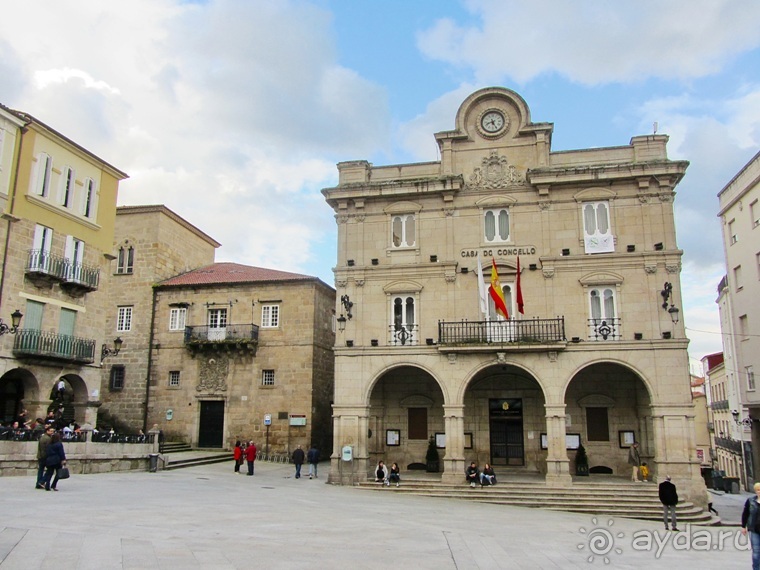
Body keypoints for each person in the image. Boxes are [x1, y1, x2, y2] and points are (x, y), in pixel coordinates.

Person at [742, 482, 760, 570]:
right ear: (755, 491)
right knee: (756, 552)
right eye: (758, 490)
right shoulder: (750, 501)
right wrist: (743, 526)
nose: (759, 492)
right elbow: (745, 514)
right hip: (755, 530)